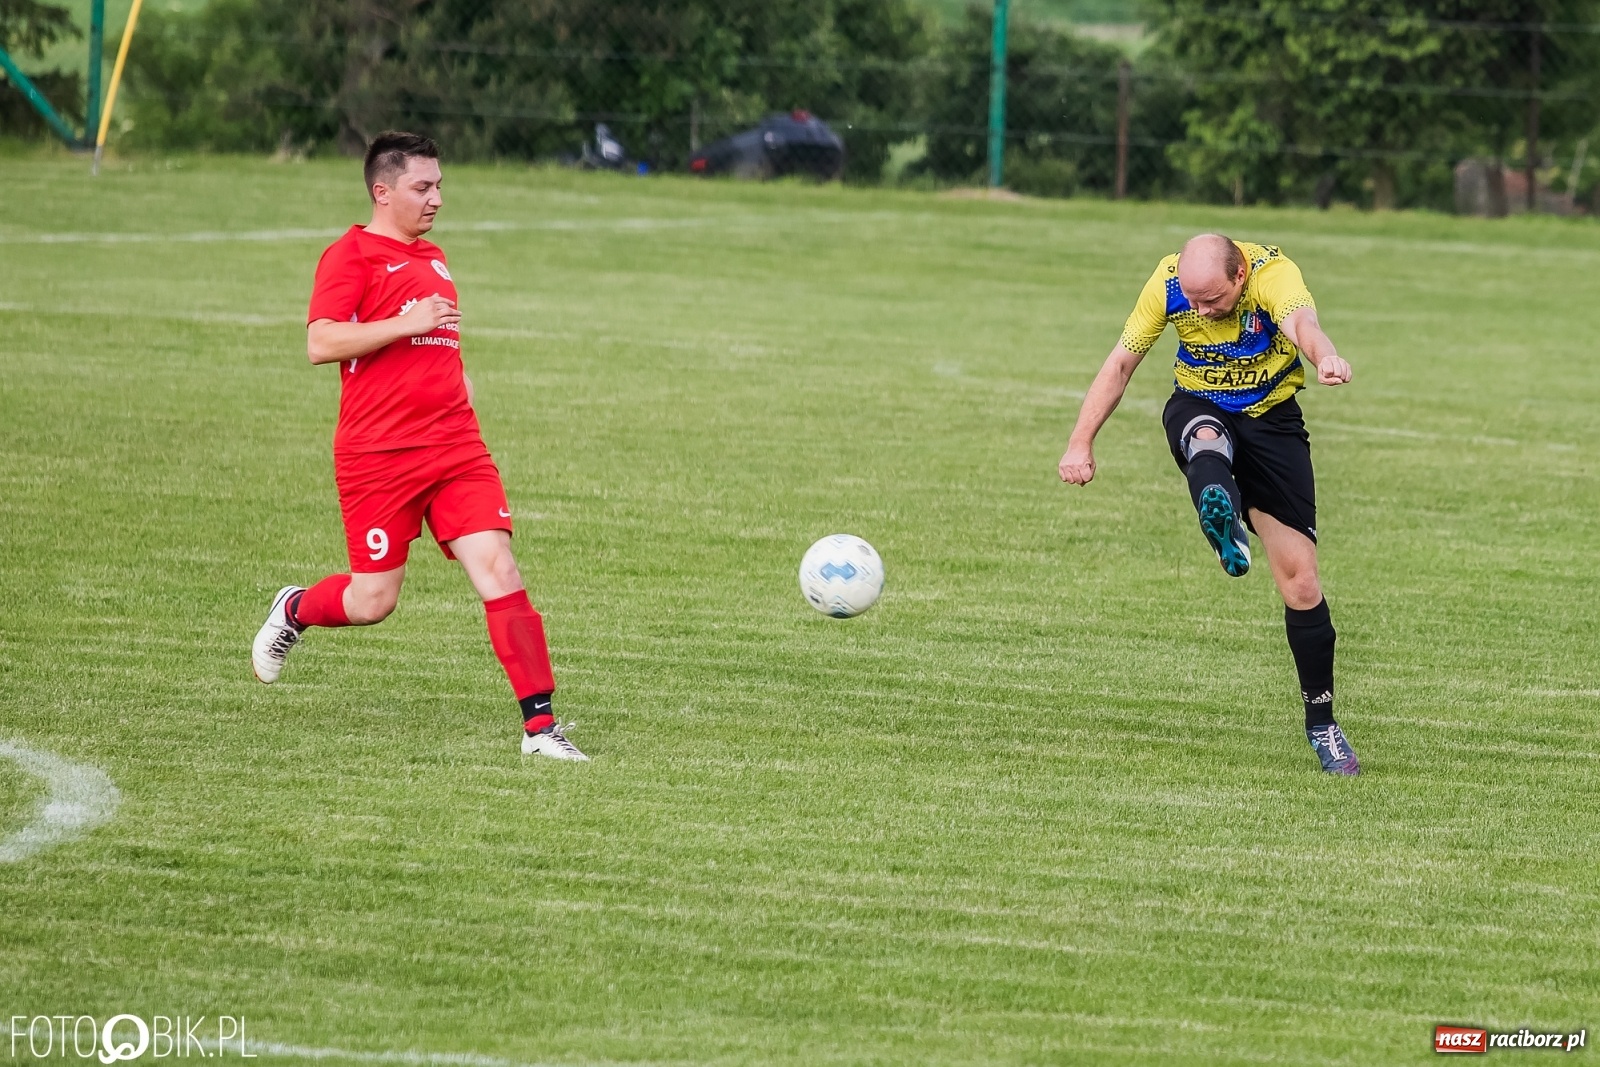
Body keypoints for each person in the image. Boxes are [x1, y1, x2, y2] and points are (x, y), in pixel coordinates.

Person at [250, 131, 587, 761]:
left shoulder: (434, 259)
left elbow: (443, 351)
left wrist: (462, 401)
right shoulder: (349, 256)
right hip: (378, 455)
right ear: (383, 191)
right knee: (373, 600)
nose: (436, 199)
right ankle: (295, 608)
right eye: (422, 187)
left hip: (456, 448)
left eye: (439, 186)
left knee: (500, 569)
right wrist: (407, 321)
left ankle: (540, 730)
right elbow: (321, 343)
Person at [1058, 234, 1359, 775]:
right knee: (1204, 438)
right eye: (1192, 301)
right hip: (1199, 404)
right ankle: (1220, 514)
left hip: (1273, 422)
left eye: (1212, 300)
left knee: (1301, 583)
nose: (1198, 311)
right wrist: (1081, 442)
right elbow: (1122, 363)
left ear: (1240, 275)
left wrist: (1326, 356)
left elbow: (1302, 326)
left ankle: (1322, 723)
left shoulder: (1273, 275)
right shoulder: (1169, 282)